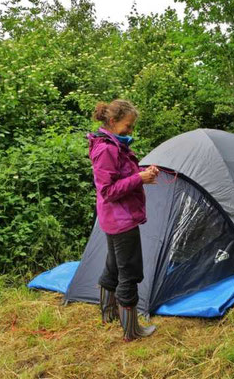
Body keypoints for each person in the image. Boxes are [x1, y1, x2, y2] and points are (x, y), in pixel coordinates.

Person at [87, 99, 159, 342]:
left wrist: (143, 173)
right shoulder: (107, 149)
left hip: (115, 218)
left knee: (114, 267)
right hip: (121, 220)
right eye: (128, 126)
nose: (130, 131)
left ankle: (108, 315)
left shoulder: (114, 145)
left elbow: (122, 176)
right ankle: (133, 330)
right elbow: (107, 190)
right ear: (112, 121)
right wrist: (140, 179)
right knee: (130, 272)